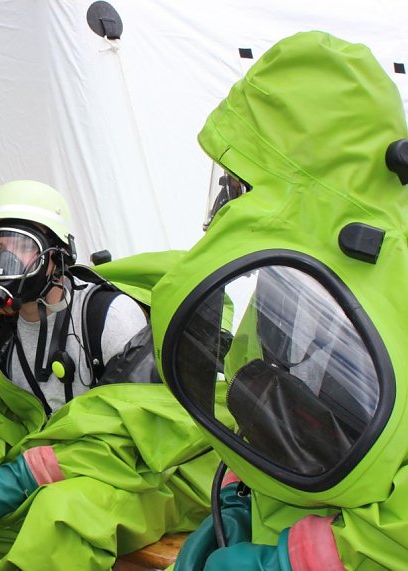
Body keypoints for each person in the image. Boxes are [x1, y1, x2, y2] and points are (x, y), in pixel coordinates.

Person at [150, 31, 408, 569]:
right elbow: (270, 404)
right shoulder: (296, 278)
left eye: (245, 178)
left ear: (298, 177)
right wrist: (243, 500)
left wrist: (301, 558)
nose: (230, 195)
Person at [0, 181, 216, 570]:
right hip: (48, 470)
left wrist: (19, 479)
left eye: (19, 249)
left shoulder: (111, 317)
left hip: (154, 476)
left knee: (59, 516)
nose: (5, 265)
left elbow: (142, 433)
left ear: (57, 256)